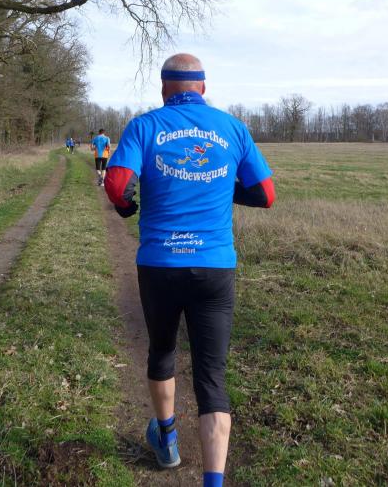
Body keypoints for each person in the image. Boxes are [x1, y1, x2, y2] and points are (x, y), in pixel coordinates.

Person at [104, 53, 274, 487]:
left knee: (162, 351)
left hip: (160, 265)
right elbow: (266, 194)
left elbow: (117, 184)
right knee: (211, 377)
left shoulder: (144, 126)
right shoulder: (233, 128)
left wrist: (125, 207)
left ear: (165, 89)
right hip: (214, 268)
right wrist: (225, 187)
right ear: (203, 87)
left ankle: (167, 441)